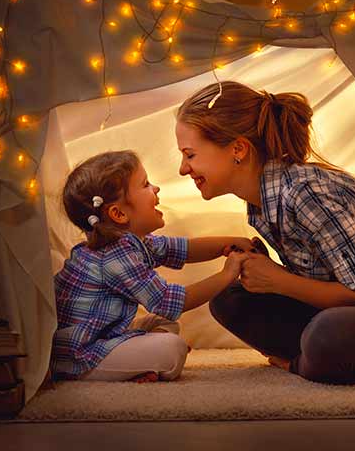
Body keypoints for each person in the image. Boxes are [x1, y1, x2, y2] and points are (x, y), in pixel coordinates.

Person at [174, 81, 355, 384]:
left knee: (326, 333)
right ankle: (317, 358)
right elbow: (328, 282)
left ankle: (304, 363)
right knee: (229, 299)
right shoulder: (262, 205)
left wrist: (278, 280)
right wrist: (268, 276)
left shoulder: (305, 193)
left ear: (238, 149)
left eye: (190, 155)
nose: (183, 170)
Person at [52, 150, 254, 382]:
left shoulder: (130, 243)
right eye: (145, 184)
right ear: (118, 213)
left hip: (102, 335)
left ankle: (141, 362)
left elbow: (184, 249)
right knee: (172, 349)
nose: (156, 188)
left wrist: (229, 243)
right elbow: (170, 301)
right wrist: (228, 274)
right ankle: (144, 361)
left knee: (164, 324)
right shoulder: (113, 257)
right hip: (81, 354)